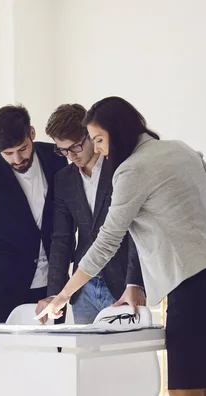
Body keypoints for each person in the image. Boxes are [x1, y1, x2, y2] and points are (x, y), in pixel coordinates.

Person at [37, 96, 206, 396]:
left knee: (182, 392)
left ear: (117, 132)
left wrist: (63, 295)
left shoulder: (130, 170)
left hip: (192, 287)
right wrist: (193, 228)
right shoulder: (181, 149)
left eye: (99, 140)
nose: (99, 150)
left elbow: (107, 241)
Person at [36, 103, 144, 325]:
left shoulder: (121, 169)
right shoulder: (64, 179)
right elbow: (61, 239)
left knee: (124, 357)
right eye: (63, 150)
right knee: (86, 358)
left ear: (90, 135)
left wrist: (135, 282)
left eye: (75, 147)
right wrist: (56, 293)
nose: (70, 156)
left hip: (122, 284)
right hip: (82, 290)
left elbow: (136, 230)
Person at [0, 104, 67, 325]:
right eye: (8, 154)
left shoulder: (57, 157)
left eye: (22, 148)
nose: (17, 159)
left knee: (54, 354)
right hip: (5, 287)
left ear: (31, 133)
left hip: (53, 284)